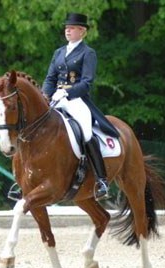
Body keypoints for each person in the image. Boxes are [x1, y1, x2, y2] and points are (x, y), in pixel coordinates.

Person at [42, 13, 118, 201]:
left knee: (86, 132)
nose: (67, 29)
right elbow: (50, 78)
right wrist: (45, 95)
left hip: (76, 100)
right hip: (55, 98)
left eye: (72, 27)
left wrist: (67, 92)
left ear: (82, 31)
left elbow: (87, 82)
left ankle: (101, 180)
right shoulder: (59, 52)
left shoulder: (87, 53)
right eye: (67, 27)